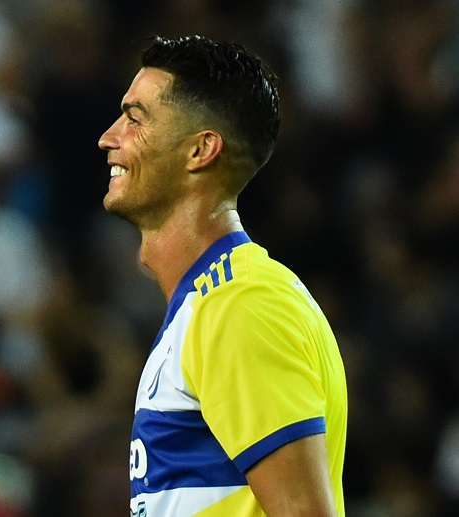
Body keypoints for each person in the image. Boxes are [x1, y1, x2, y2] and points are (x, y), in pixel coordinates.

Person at [97, 35, 347, 516]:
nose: (109, 137)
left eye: (135, 119)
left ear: (201, 150)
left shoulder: (241, 303)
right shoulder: (209, 303)